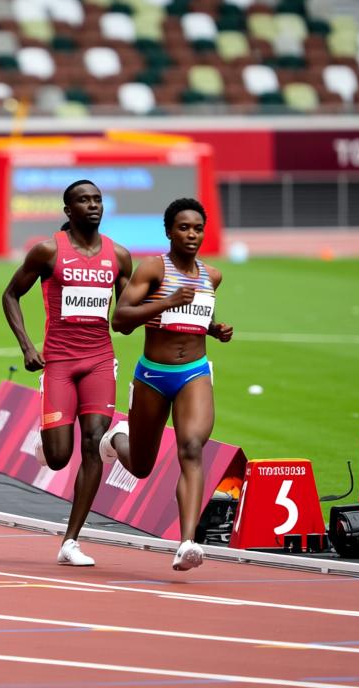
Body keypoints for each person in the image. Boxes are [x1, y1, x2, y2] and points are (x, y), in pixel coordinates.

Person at [1, 180, 133, 567]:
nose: (93, 206)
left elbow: (125, 316)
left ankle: (70, 541)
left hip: (98, 360)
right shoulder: (47, 252)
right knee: (59, 458)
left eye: (97, 200)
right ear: (67, 210)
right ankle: (46, 439)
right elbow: (10, 294)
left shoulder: (120, 256)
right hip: (58, 362)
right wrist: (27, 345)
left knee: (92, 442)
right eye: (83, 200)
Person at [102, 197, 233, 571]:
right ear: (168, 231)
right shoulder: (152, 270)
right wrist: (166, 301)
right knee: (141, 466)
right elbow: (121, 319)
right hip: (153, 376)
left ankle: (188, 542)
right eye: (183, 227)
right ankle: (115, 439)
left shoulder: (213, 276)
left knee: (192, 448)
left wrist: (214, 329)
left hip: (194, 372)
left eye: (197, 228)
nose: (192, 234)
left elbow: (196, 315)